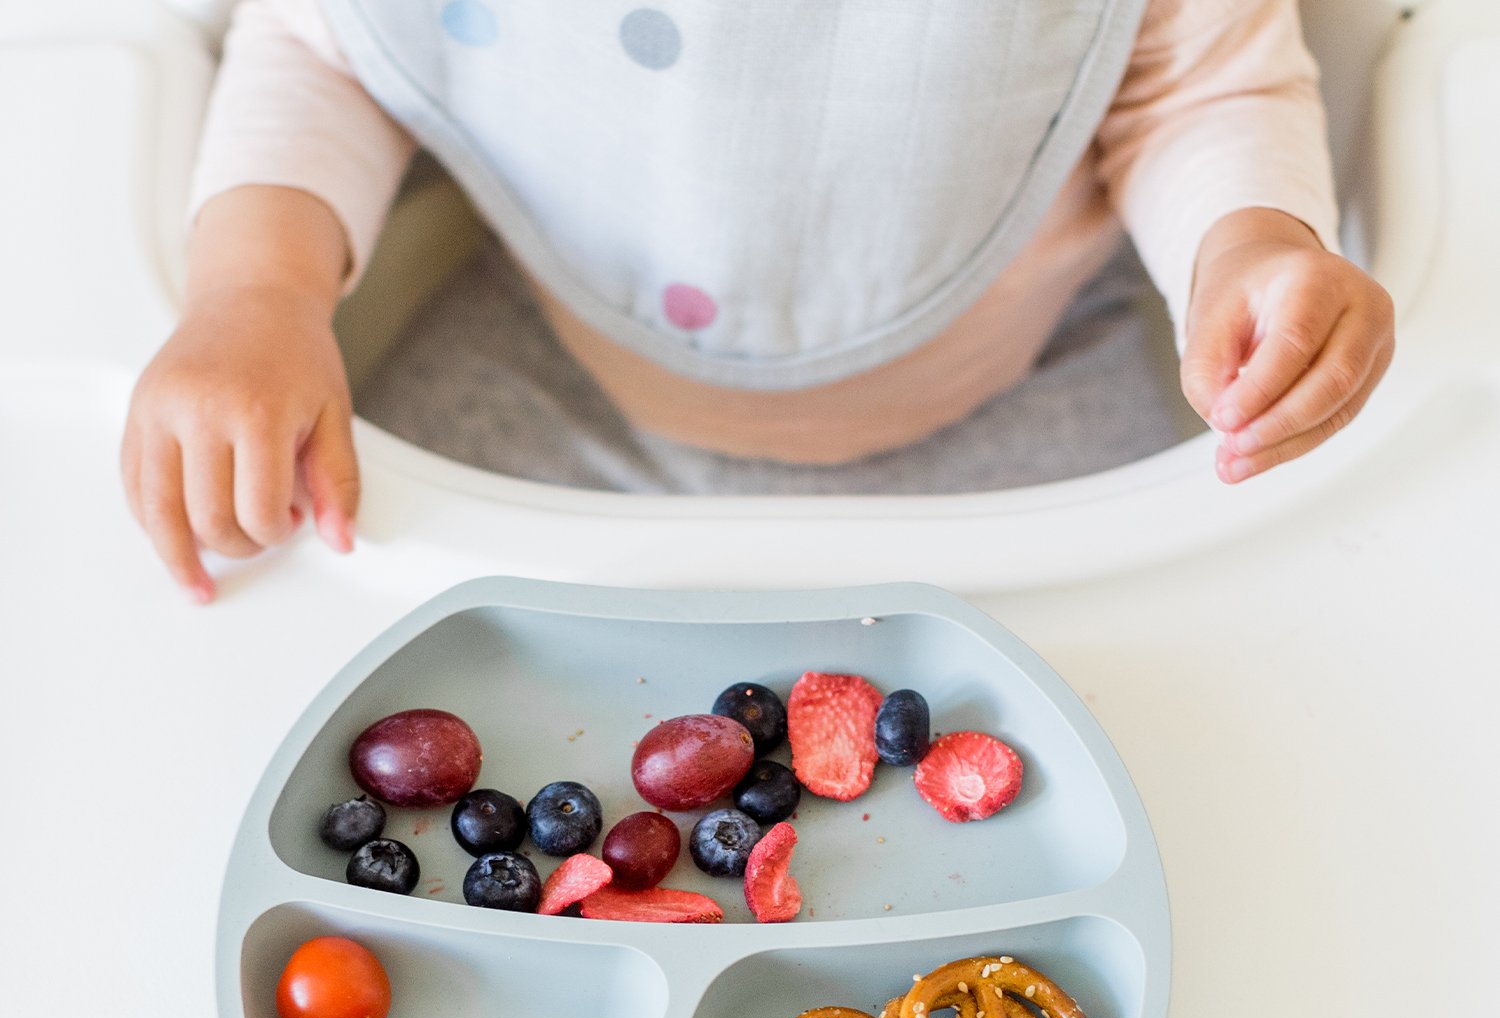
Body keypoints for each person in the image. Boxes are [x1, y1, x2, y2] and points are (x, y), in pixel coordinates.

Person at [121, 0, 1395, 603]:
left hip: (1034, 376)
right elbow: (326, 51)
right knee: (395, 634)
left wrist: (1250, 250)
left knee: (1158, 659)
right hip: (564, 367)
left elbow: (1199, 90)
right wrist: (256, 294)